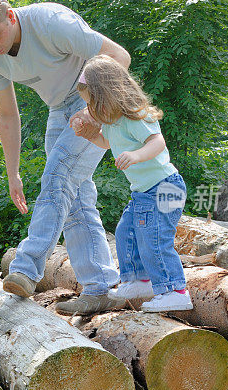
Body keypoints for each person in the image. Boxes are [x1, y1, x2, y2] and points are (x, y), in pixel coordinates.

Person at [0, 0, 129, 315]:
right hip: (58, 109)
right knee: (75, 198)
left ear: (10, 16)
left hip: (97, 95)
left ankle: (26, 268)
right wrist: (13, 173)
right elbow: (7, 115)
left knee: (58, 176)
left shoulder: (51, 22)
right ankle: (101, 288)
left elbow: (120, 57)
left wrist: (92, 111)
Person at [70, 55, 192, 312]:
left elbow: (157, 142)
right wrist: (90, 133)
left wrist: (136, 155)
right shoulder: (112, 123)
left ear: (107, 96)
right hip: (144, 192)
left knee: (154, 238)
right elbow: (106, 143)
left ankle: (175, 290)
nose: (91, 110)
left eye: (92, 104)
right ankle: (139, 279)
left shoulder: (137, 117)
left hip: (164, 186)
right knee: (126, 231)